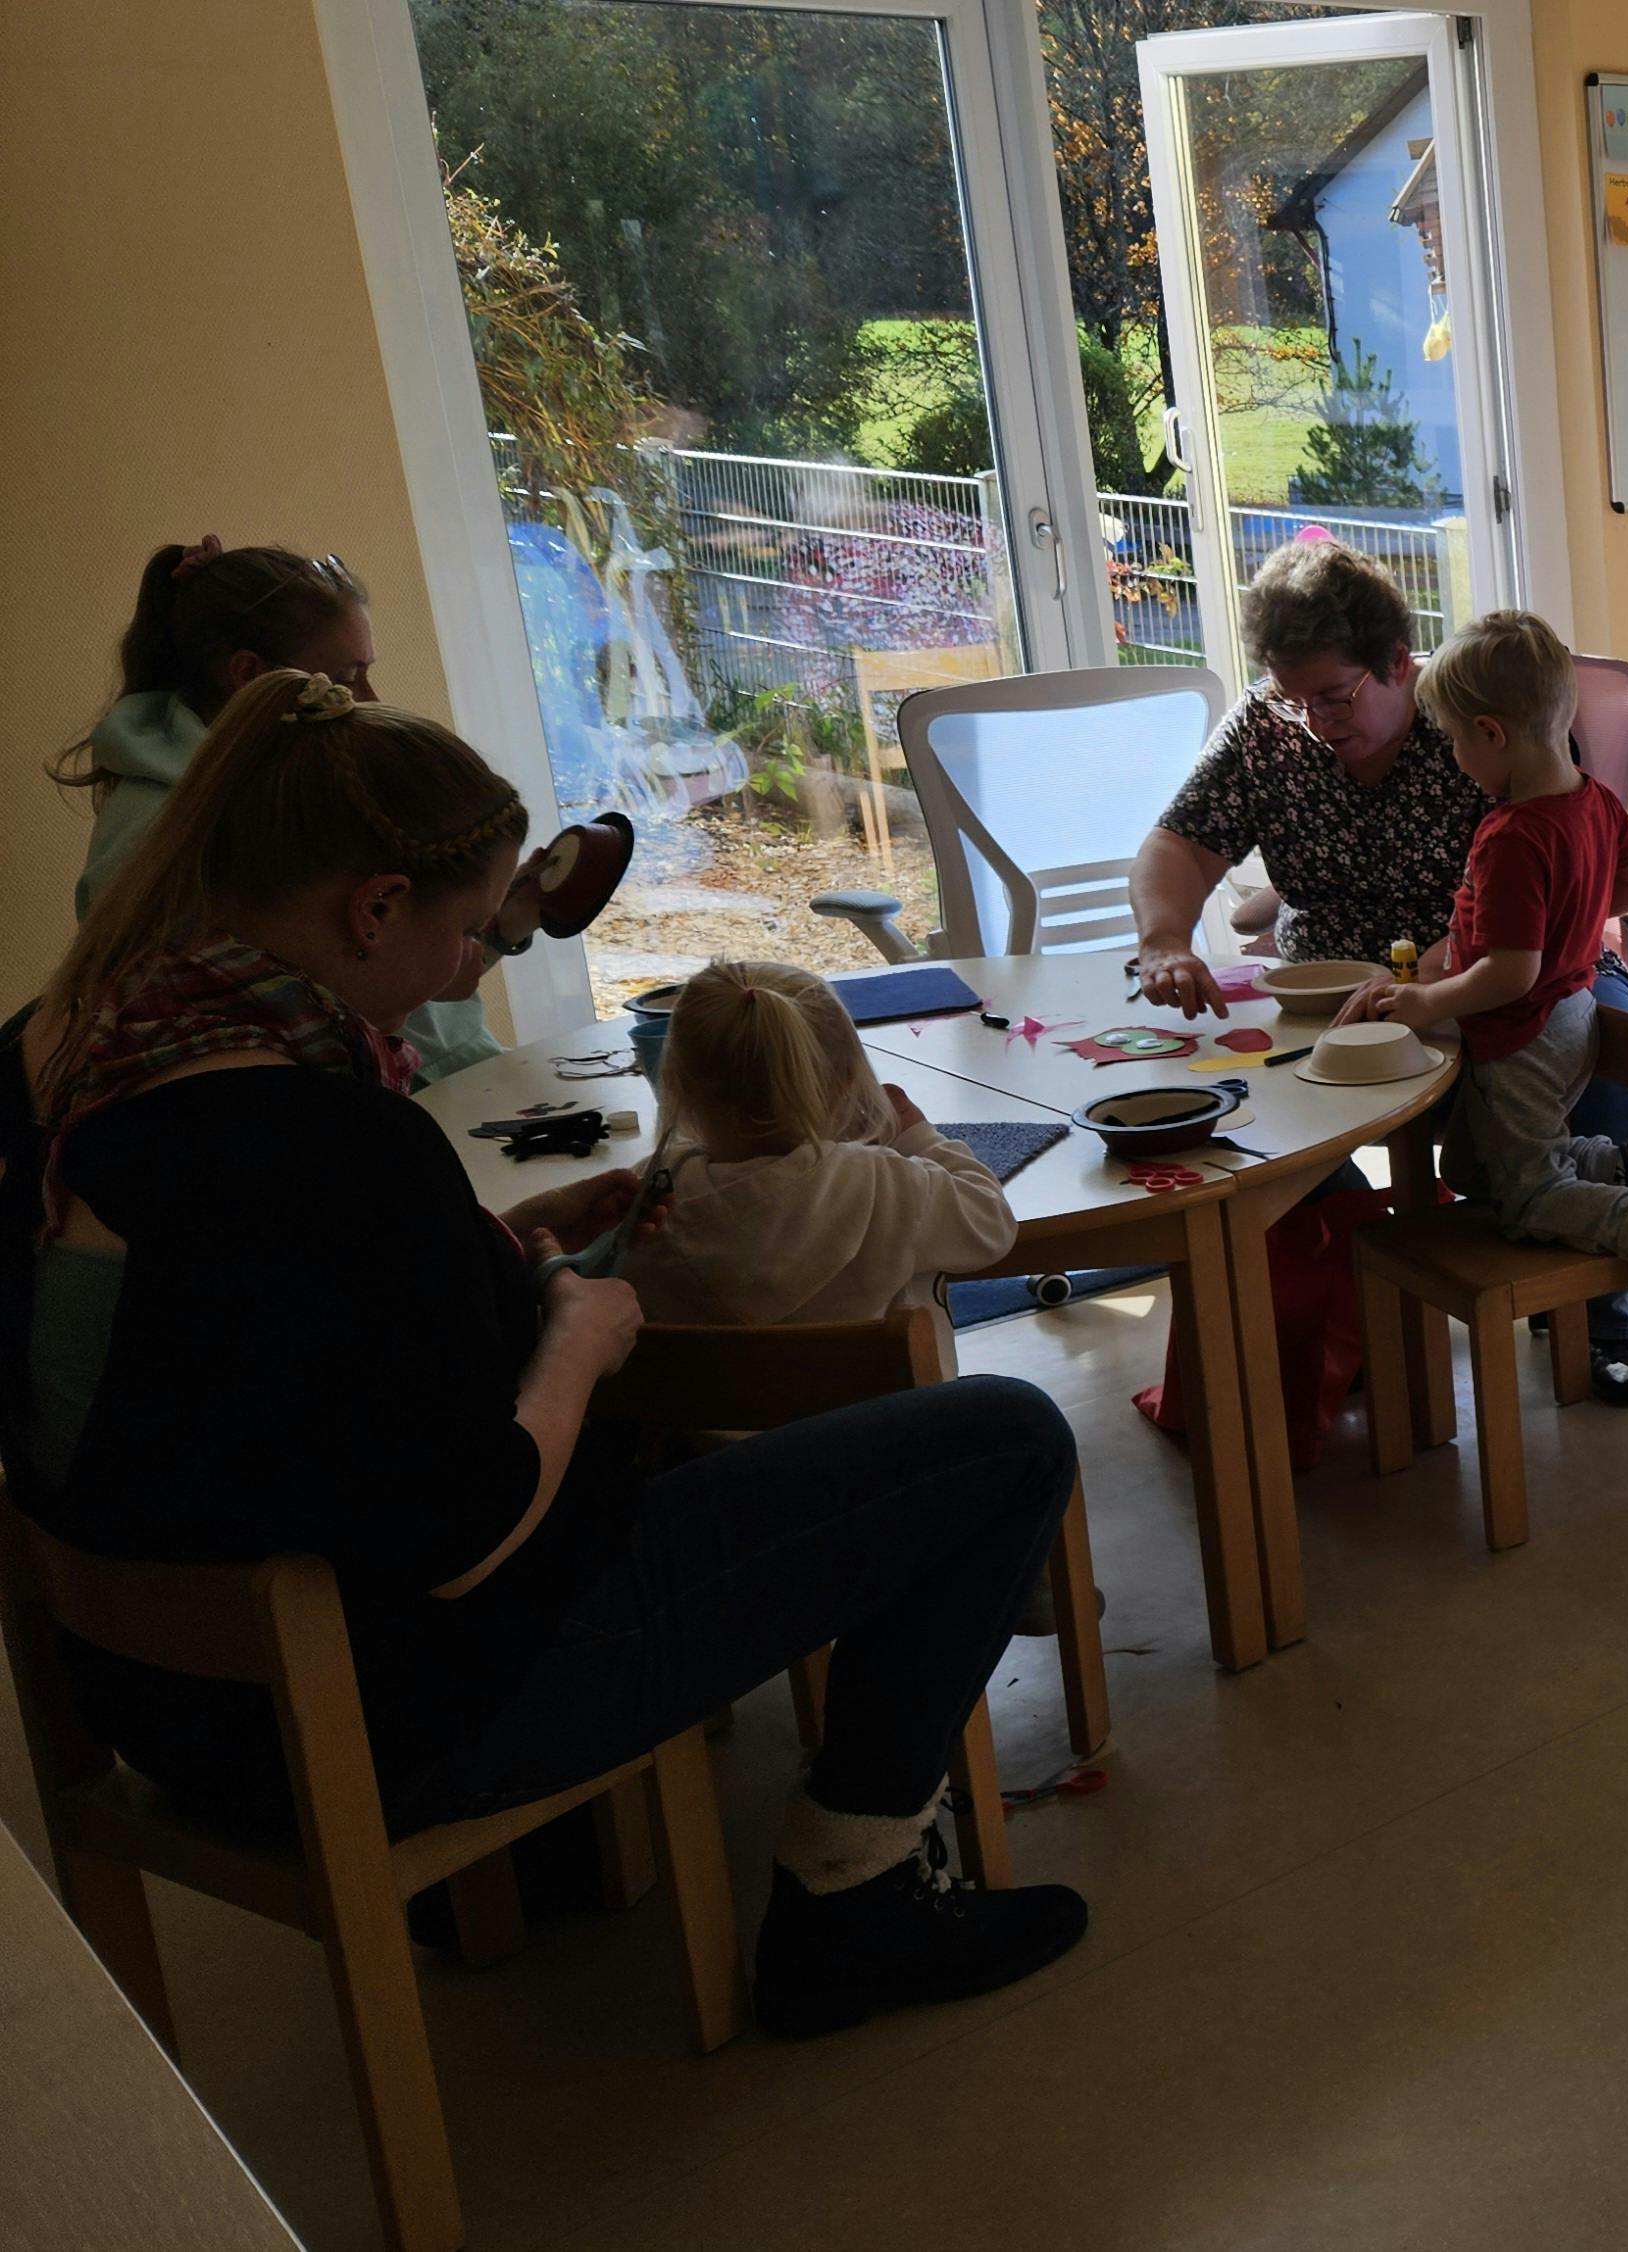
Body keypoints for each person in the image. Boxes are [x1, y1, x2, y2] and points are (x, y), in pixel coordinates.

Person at [2, 671, 1087, 2042]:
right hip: (403, 1715)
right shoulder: (329, 1142)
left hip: (168, 1706)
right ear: (375, 906)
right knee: (1002, 1439)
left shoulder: (66, 1059)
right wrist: (574, 1338)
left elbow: (252, 1353)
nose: (471, 968)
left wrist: (492, 1243)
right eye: (467, 933)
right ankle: (853, 1903)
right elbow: (459, 1532)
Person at [1127, 537, 1628, 1405]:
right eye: (1293, 696)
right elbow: (1176, 842)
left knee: (1605, 1076)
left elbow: (1594, 857)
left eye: (1336, 695)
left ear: (1398, 663)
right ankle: (1362, 1320)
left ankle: (1598, 1317)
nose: (1314, 718)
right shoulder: (1270, 730)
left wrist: (1448, 970)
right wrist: (1165, 936)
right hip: (1347, 991)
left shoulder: (1479, 716)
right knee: (1268, 1127)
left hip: (1517, 970)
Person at [1340, 613, 1628, 1348]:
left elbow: (1508, 972)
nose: (1457, 757)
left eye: (1458, 740)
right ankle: (1624, 1160)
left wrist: (1424, 1000)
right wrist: (1578, 916)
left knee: (1530, 1198)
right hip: (1572, 1015)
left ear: (1492, 733)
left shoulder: (1511, 836)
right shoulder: (1591, 799)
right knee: (1468, 1162)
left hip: (1524, 1036)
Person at [51, 537, 501, 1084]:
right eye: (344, 676)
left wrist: (492, 925)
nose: (369, 698)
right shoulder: (159, 832)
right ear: (247, 674)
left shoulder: (277, 780)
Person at [619, 959, 1018, 1326]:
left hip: (708, 1406)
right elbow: (992, 1224)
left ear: (677, 1083)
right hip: (887, 1405)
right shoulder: (884, 1183)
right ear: (847, 1080)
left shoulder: (645, 1202)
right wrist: (918, 1135)